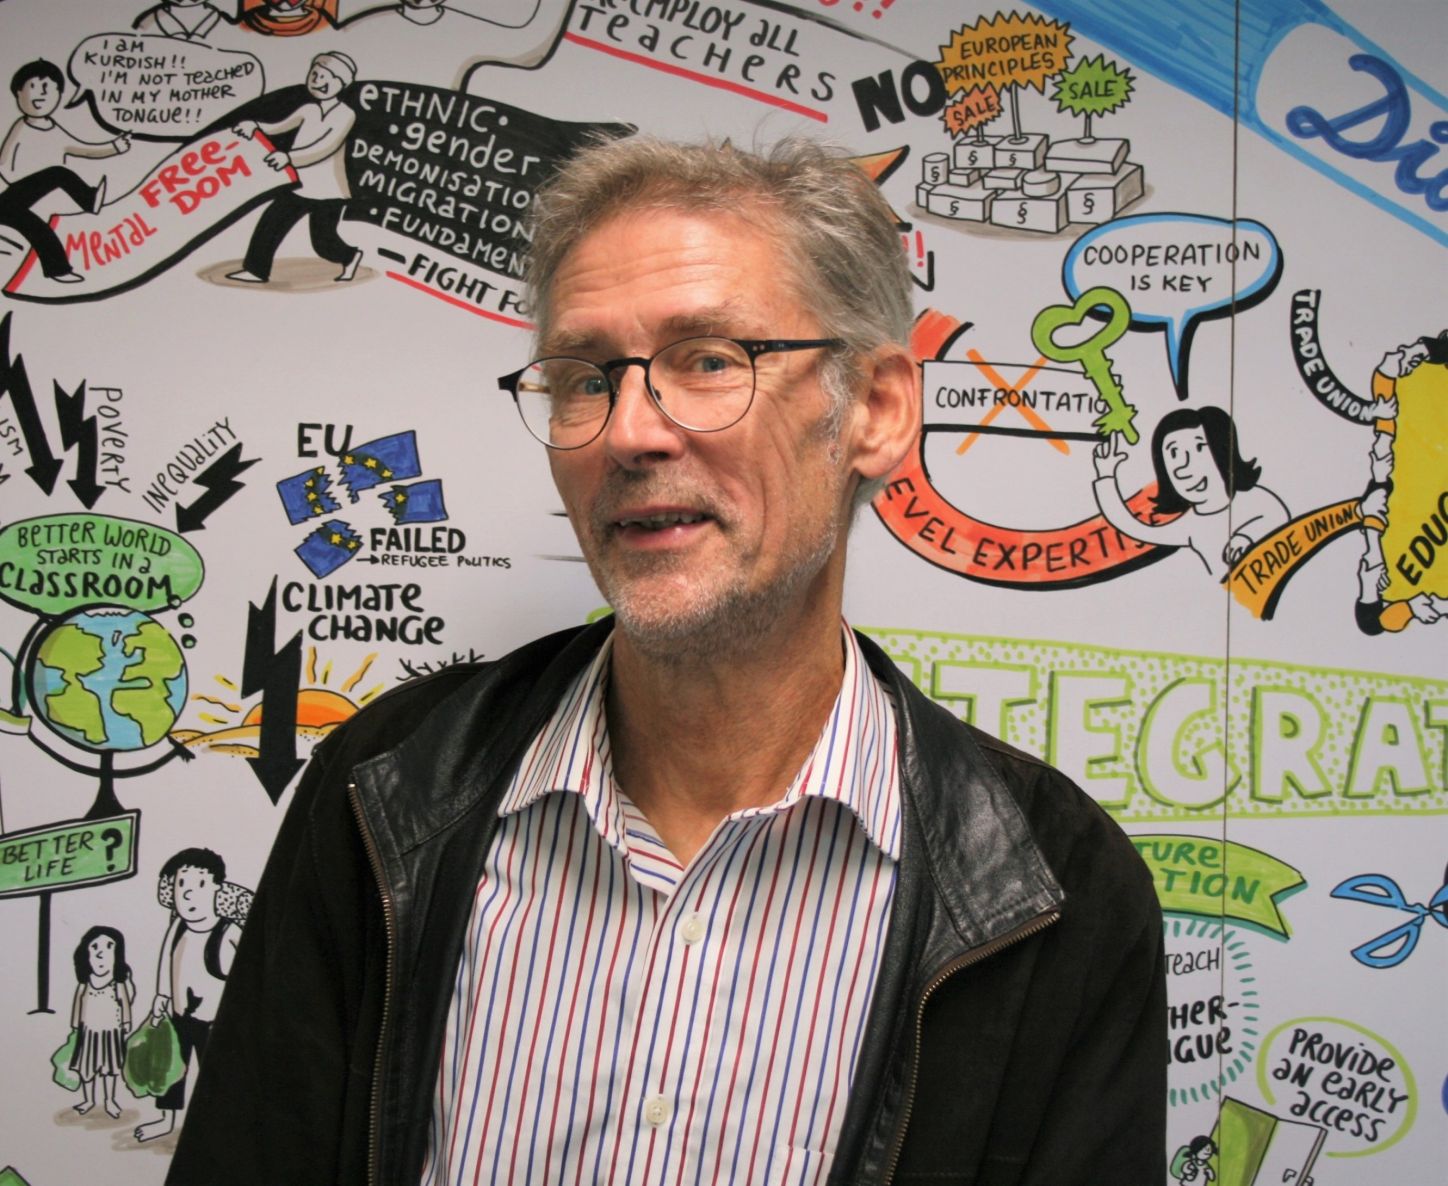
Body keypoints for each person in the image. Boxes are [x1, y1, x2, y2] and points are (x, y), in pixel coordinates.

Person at [170, 136, 1166, 1185]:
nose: (629, 433)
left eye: (710, 360)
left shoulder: (1056, 890)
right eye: (583, 377)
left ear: (873, 411)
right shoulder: (385, 787)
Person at [1093, 404, 1289, 580]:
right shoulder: (1191, 526)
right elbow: (1132, 527)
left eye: (1199, 447)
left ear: (1223, 449)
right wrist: (1106, 476)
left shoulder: (1256, 499)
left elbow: (1274, 517)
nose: (1183, 466)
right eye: (1173, 453)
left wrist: (1245, 537)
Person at [134, 848, 244, 1144]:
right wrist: (161, 996)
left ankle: (223, 1123)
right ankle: (166, 1120)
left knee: (218, 1073)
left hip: (215, 1023)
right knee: (171, 1069)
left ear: (217, 888)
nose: (188, 893)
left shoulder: (229, 931)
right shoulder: (177, 927)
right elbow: (165, 961)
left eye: (200, 884)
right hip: (178, 1017)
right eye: (181, 884)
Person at [227, 52, 361, 284]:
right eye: (314, 74)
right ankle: (256, 270)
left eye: (325, 77)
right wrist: (255, 126)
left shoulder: (346, 114)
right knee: (271, 222)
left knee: (323, 243)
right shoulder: (308, 109)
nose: (317, 81)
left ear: (341, 83)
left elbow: (325, 147)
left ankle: (349, 256)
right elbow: (279, 126)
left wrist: (290, 158)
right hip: (299, 184)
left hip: (328, 191)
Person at [0, 60, 128, 284]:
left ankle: (59, 268)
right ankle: (88, 201)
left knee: (38, 224)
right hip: (10, 198)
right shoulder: (21, 126)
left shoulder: (54, 129)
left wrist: (114, 148)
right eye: (33, 87)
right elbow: (3, 164)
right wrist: (25, 180)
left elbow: (83, 149)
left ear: (58, 94)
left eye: (47, 88)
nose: (40, 94)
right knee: (56, 175)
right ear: (18, 93)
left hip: (18, 202)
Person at [68, 925, 135, 1120]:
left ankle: (110, 1100)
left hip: (111, 1032)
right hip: (88, 1032)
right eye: (94, 947)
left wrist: (126, 1021)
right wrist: (75, 1023)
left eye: (108, 947)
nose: (100, 953)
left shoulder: (118, 983)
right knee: (86, 1068)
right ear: (86, 954)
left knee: (110, 1069)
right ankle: (88, 1100)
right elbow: (79, 1001)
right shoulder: (86, 982)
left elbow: (124, 1002)